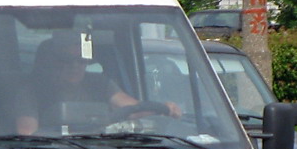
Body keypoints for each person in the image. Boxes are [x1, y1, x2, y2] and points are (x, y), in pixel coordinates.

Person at [16, 36, 180, 135]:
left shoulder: (99, 83)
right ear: (50, 62)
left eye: (81, 60)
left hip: (101, 148)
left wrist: (163, 108)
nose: (75, 66)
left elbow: (131, 109)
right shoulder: (32, 91)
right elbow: (28, 134)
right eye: (66, 59)